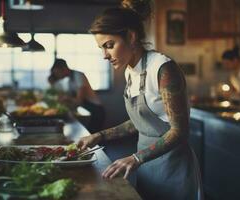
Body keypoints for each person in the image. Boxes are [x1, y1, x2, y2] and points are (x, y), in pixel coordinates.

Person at [77, 2, 203, 200]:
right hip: (146, 167)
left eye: (109, 45)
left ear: (131, 36)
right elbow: (140, 122)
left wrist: (136, 158)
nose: (105, 56)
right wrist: (99, 136)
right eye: (101, 48)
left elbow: (179, 130)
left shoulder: (163, 69)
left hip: (173, 168)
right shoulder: (130, 70)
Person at [49, 58, 105, 133]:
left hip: (95, 109)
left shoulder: (78, 75)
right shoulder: (69, 80)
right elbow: (67, 98)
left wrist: (66, 98)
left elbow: (79, 101)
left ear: (64, 69)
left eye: (57, 73)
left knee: (92, 137)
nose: (57, 76)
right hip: (86, 109)